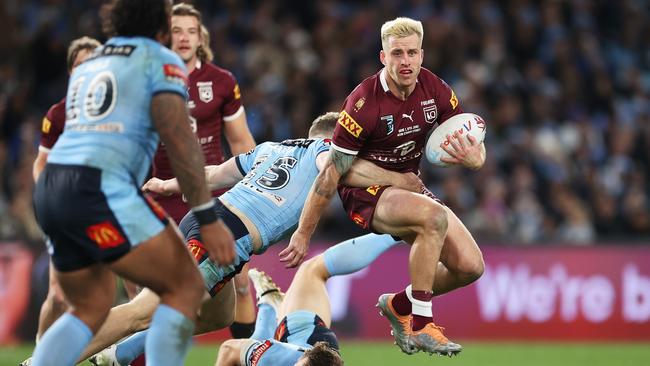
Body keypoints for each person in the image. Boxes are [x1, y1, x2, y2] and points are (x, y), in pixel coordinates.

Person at [85, 112, 420, 366]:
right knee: (140, 313)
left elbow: (215, 174)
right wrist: (401, 180)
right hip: (224, 240)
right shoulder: (327, 151)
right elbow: (332, 173)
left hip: (210, 223)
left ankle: (118, 354)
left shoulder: (272, 149)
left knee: (219, 317)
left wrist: (169, 184)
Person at [30, 0, 235, 365]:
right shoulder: (160, 59)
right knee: (185, 285)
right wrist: (206, 215)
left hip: (53, 188)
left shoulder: (89, 64)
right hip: (101, 188)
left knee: (90, 306)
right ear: (160, 28)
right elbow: (179, 137)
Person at [287, 17, 486, 356]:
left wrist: (474, 158)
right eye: (397, 54)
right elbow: (334, 172)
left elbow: (472, 142)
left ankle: (398, 304)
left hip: (409, 188)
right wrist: (304, 232)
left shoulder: (435, 89)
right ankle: (422, 325)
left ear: (422, 55)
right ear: (383, 57)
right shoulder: (364, 102)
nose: (405, 61)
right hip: (366, 195)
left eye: (411, 53)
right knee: (433, 218)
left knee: (470, 266)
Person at [154, 2, 258, 340]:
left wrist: (258, 185)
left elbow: (241, 140)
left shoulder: (221, 81)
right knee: (152, 289)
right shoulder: (150, 77)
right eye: (176, 31)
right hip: (163, 192)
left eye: (190, 31)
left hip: (214, 192)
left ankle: (242, 356)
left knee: (240, 282)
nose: (183, 38)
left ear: (201, 38)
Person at [216, 230, 405, 366]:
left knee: (312, 270)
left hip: (292, 347)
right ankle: (395, 233)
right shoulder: (273, 356)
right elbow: (234, 350)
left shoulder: (270, 357)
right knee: (312, 271)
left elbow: (240, 350)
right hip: (303, 332)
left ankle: (269, 303)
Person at [30, 36, 101, 347]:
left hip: (105, 210)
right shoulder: (58, 115)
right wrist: (49, 198)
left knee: (128, 289)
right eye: (80, 65)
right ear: (72, 72)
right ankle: (38, 353)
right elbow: (40, 164)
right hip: (65, 209)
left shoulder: (116, 112)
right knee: (59, 296)